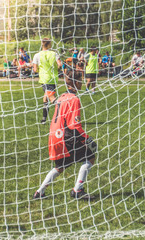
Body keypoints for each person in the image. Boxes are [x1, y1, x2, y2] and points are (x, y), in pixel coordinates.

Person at [33, 70, 97, 200]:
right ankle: (77, 190)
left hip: (54, 136)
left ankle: (39, 192)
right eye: (81, 80)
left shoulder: (61, 97)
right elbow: (74, 126)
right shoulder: (74, 99)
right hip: (66, 136)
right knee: (90, 158)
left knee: (60, 167)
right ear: (77, 83)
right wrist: (88, 139)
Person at [33, 38, 62, 124]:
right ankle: (44, 119)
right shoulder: (54, 54)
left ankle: (64, 112)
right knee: (45, 98)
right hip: (53, 78)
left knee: (51, 98)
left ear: (42, 44)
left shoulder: (37, 55)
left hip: (44, 79)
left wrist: (40, 71)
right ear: (49, 45)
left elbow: (35, 69)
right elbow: (60, 64)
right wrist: (57, 69)